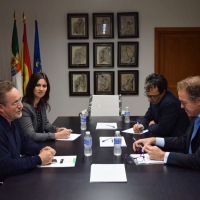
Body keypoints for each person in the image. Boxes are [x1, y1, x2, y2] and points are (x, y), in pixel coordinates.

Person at [133, 76, 200, 170]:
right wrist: (154, 139)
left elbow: (197, 161)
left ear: (198, 101)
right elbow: (184, 141)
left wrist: (162, 156)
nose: (181, 106)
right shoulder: (196, 116)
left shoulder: (172, 103)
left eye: (184, 102)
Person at [0, 81, 56, 182]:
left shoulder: (13, 119)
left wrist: (41, 150)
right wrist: (38, 159)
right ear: (1, 108)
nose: (21, 106)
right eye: (15, 103)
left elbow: (24, 142)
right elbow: (5, 166)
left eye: (20, 100)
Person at [19, 72, 72, 142]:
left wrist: (58, 130)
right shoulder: (25, 107)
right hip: (26, 147)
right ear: (32, 86)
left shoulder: (41, 103)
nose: (41, 89)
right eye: (38, 85)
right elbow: (31, 136)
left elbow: (45, 124)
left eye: (44, 86)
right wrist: (57, 135)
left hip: (38, 143)